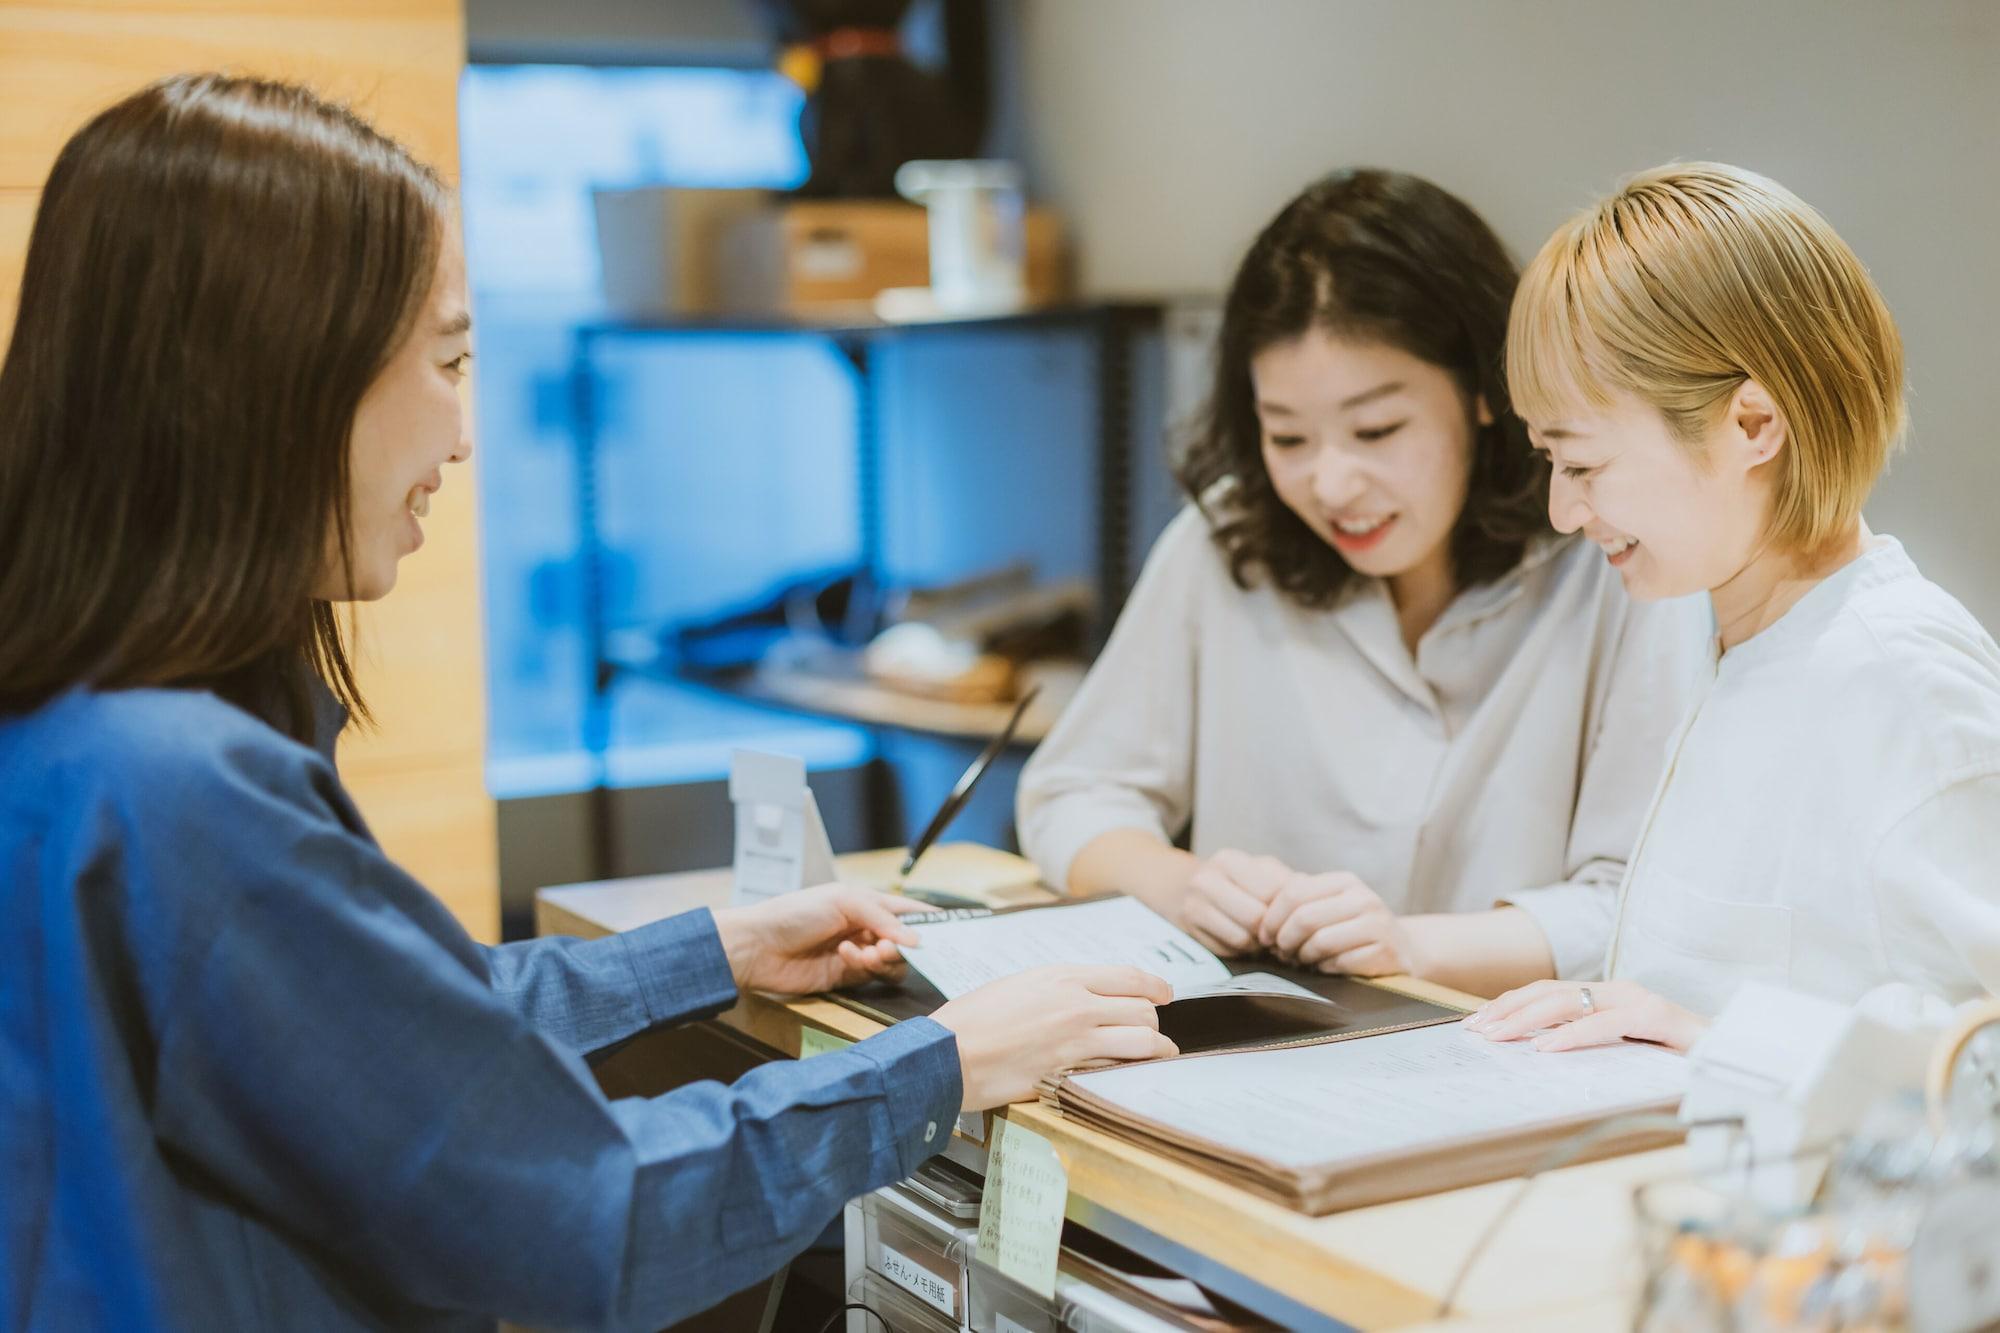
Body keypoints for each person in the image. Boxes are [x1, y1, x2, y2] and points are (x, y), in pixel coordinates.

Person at [0, 73, 1174, 1331]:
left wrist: (706, 953)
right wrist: (949, 1060)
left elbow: (382, 1048)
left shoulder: (76, 726)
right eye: (448, 360)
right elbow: (584, 1220)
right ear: (271, 377)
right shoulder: (189, 792)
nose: (459, 437)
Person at [1016, 169, 1708, 997]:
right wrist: (1181, 884)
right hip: (1256, 1053)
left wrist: (1409, 947)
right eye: (1288, 436)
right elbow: (1073, 794)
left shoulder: (1608, 555)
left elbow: (1640, 900)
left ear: (1486, 390)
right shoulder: (1227, 541)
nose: (1331, 484)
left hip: (1509, 1058)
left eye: (1376, 428)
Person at [1466, 162, 2000, 1054]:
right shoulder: (1736, 642)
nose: (1562, 512)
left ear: (1753, 424)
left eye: (1584, 465)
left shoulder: (1900, 679)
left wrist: (1706, 1034)